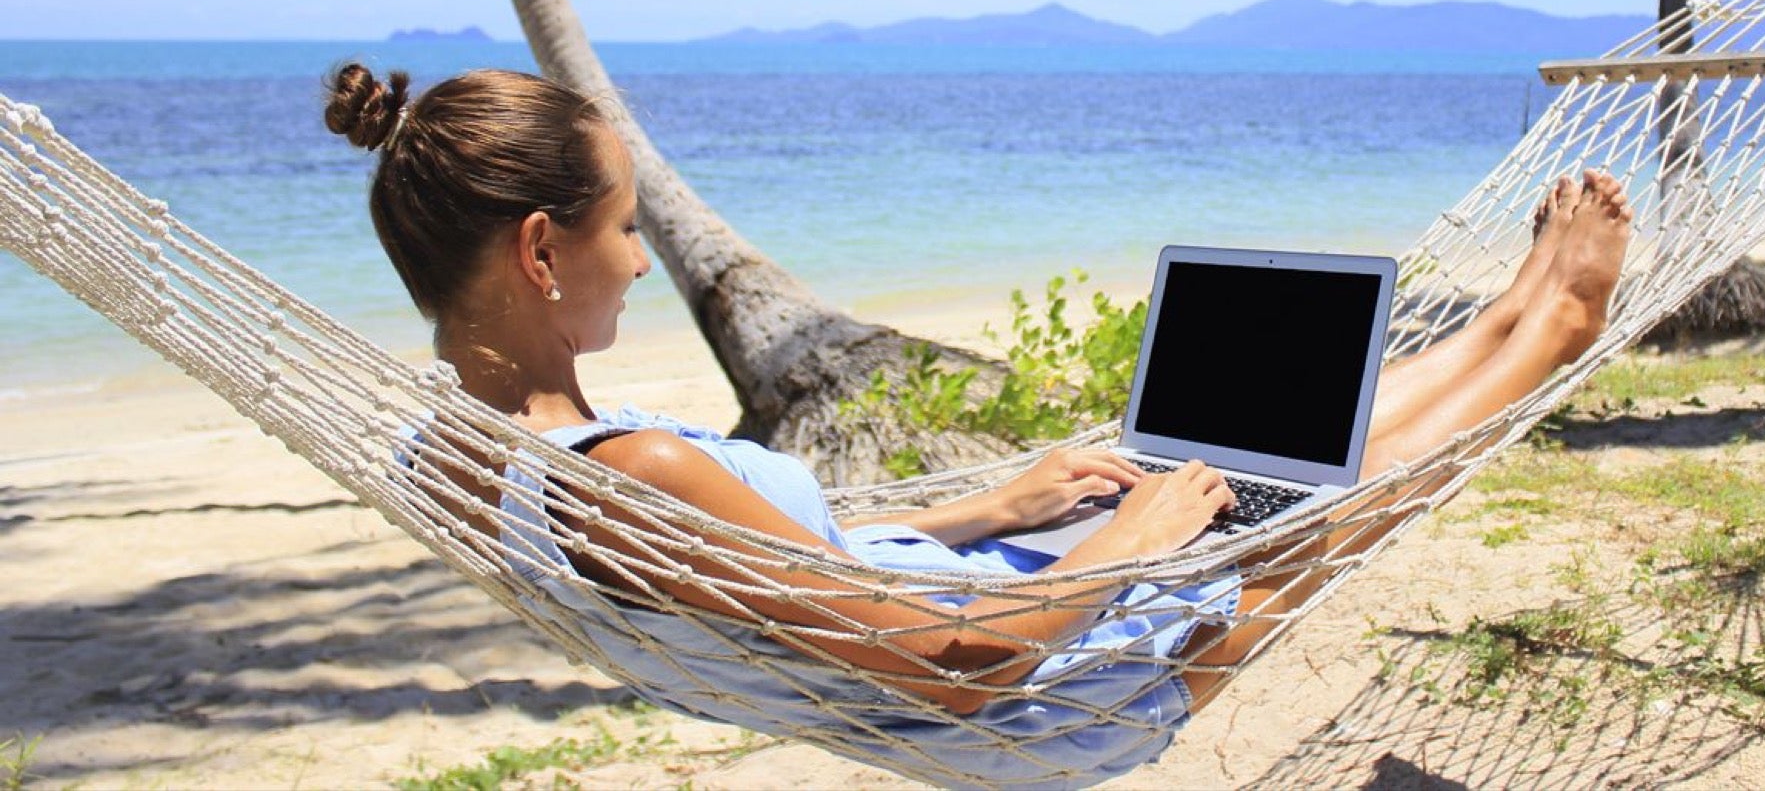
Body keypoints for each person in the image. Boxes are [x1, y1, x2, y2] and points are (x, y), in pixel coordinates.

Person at [325, 63, 1631, 782]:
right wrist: (1132, 544)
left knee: (1229, 454)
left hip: (974, 589)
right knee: (1286, 488)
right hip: (1049, 686)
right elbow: (957, 662)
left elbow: (780, 564)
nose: (640, 263)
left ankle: (1493, 323)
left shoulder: (448, 450)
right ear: (542, 250)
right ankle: (1545, 328)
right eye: (623, 232)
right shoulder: (630, 476)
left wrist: (987, 508)